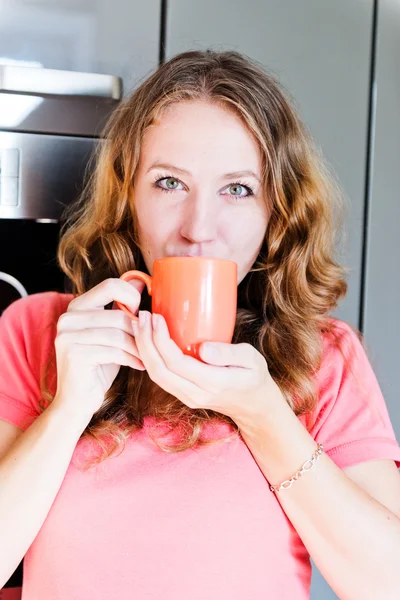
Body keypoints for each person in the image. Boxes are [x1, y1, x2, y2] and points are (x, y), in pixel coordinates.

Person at [0, 49, 400, 600]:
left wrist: (265, 418)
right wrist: (68, 409)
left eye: (237, 189)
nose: (198, 229)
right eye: (168, 183)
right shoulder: (39, 331)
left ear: (275, 214)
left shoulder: (325, 356)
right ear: (127, 197)